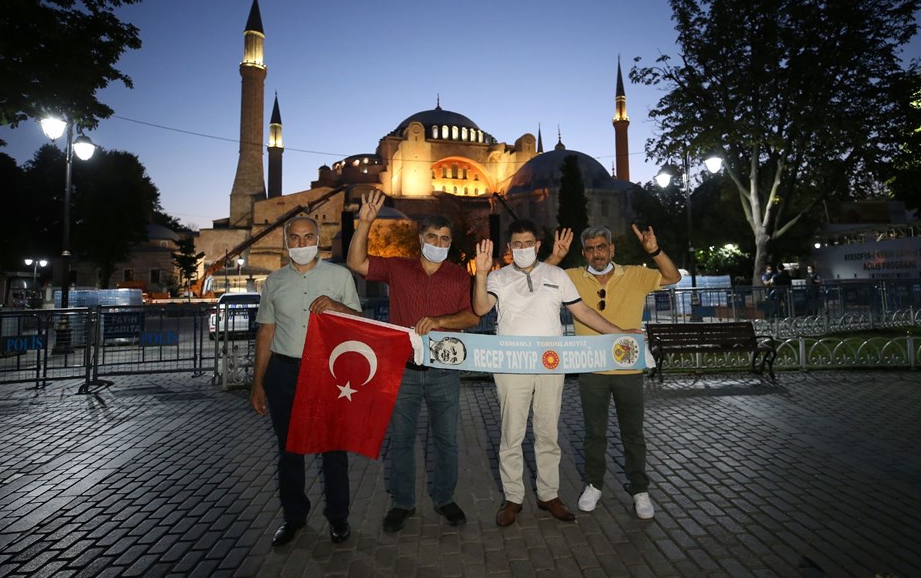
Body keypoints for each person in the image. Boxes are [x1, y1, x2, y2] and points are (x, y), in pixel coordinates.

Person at [472, 219, 637, 527]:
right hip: (512, 367)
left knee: (548, 432)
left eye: (528, 244)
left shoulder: (556, 275)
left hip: (550, 364)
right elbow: (481, 309)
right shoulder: (498, 278)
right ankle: (513, 498)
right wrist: (481, 274)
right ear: (509, 249)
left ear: (538, 246)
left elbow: (584, 312)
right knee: (512, 434)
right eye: (516, 245)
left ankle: (549, 494)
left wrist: (620, 334)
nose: (523, 249)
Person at [347, 190, 479, 532]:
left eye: (444, 238)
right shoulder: (399, 268)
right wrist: (364, 224)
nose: (438, 242)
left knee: (446, 439)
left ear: (451, 243)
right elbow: (357, 263)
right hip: (402, 370)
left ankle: (444, 498)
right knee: (402, 439)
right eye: (432, 236)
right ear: (421, 238)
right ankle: (403, 503)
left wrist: (440, 321)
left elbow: (472, 317)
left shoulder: (459, 276)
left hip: (444, 371)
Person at [549, 225, 681, 520]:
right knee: (594, 434)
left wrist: (654, 251)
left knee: (633, 434)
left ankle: (639, 489)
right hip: (592, 368)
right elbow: (537, 278)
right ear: (583, 253)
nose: (597, 253)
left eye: (602, 247)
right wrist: (556, 257)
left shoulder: (634, 274)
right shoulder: (571, 277)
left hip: (628, 367)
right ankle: (594, 484)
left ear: (612, 249)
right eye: (591, 249)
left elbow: (673, 277)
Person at [250, 216, 363, 547]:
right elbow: (266, 331)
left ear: (319, 239)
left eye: (308, 237)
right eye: (295, 238)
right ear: (286, 242)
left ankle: (338, 516)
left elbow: (358, 323)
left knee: (332, 447)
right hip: (284, 372)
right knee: (289, 449)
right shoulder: (273, 282)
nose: (301, 244)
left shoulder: (339, 276)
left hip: (327, 372)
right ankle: (294, 516)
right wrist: (258, 382)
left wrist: (337, 306)